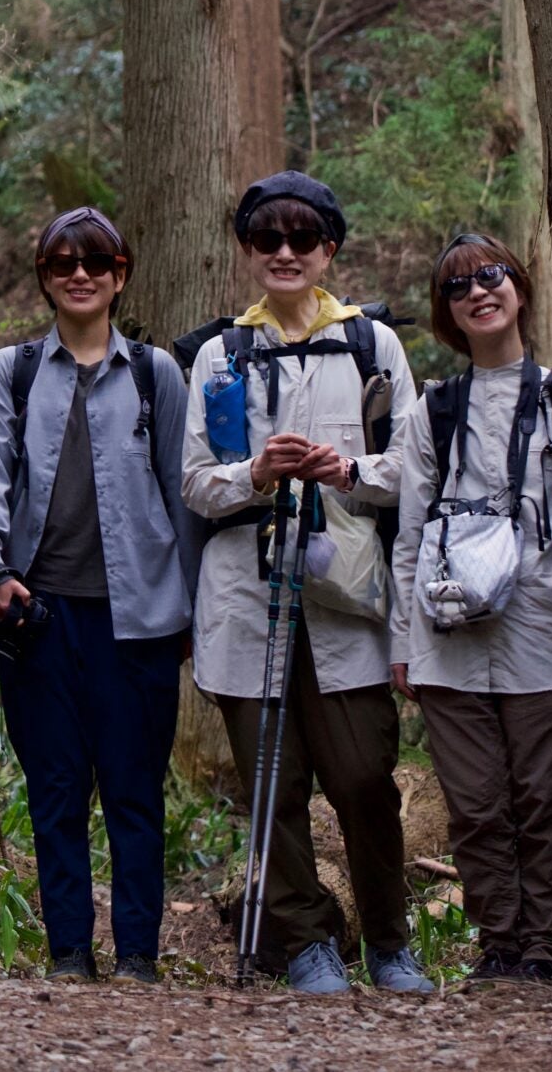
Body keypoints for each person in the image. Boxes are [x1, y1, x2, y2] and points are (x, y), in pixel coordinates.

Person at [183, 171, 428, 997]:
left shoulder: (371, 345)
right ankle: (306, 940)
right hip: (244, 592)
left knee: (362, 774)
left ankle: (389, 939)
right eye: (267, 238)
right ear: (248, 250)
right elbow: (194, 480)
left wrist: (345, 469)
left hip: (343, 589)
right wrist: (256, 471)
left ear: (329, 249)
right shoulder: (219, 353)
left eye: (302, 238)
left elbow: (412, 467)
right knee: (273, 783)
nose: (284, 252)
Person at [0, 208, 195, 984]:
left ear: (120, 274)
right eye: (63, 262)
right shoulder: (14, 371)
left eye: (96, 261)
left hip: (140, 621)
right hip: (40, 616)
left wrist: (193, 611)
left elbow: (182, 495)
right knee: (56, 788)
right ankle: (69, 950)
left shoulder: (157, 374)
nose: (80, 274)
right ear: (45, 276)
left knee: (134, 790)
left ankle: (137, 955)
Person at [389, 234, 552, 985]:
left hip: (543, 630)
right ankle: (499, 943)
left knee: (545, 796)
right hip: (450, 638)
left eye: (491, 276)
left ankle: (546, 947)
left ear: (520, 288)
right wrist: (402, 643)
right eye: (458, 287)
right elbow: (410, 533)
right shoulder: (433, 410)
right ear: (447, 314)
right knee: (474, 803)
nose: (478, 292)